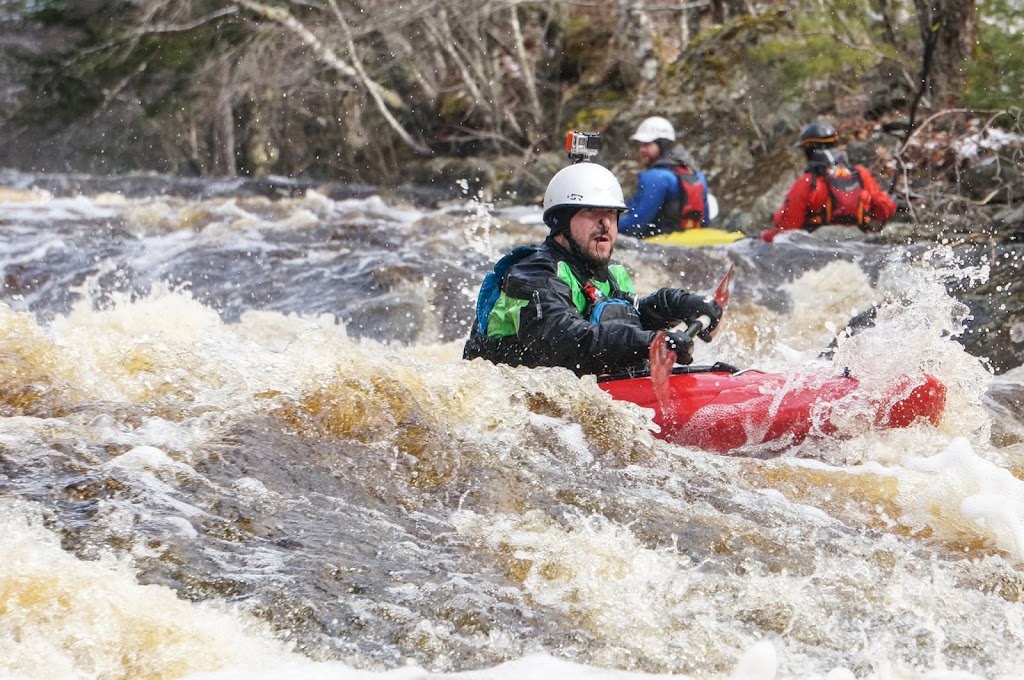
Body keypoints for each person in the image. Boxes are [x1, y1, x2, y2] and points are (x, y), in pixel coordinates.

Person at [463, 161, 723, 377]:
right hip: (515, 403)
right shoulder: (533, 274)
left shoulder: (611, 273)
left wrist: (677, 304)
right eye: (591, 213)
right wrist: (648, 342)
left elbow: (626, 319)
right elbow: (566, 341)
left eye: (611, 213)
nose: (605, 224)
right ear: (561, 222)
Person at [763, 120, 897, 242]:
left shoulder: (808, 183)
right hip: (859, 244)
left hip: (820, 248)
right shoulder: (861, 174)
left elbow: (787, 232)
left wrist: (761, 238)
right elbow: (885, 210)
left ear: (809, 150)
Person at [619, 116, 714, 239]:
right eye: (640, 145)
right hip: (687, 242)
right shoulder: (697, 175)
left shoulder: (655, 177)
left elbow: (635, 225)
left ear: (662, 145)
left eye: (647, 145)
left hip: (657, 245)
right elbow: (704, 222)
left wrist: (608, 229)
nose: (641, 150)